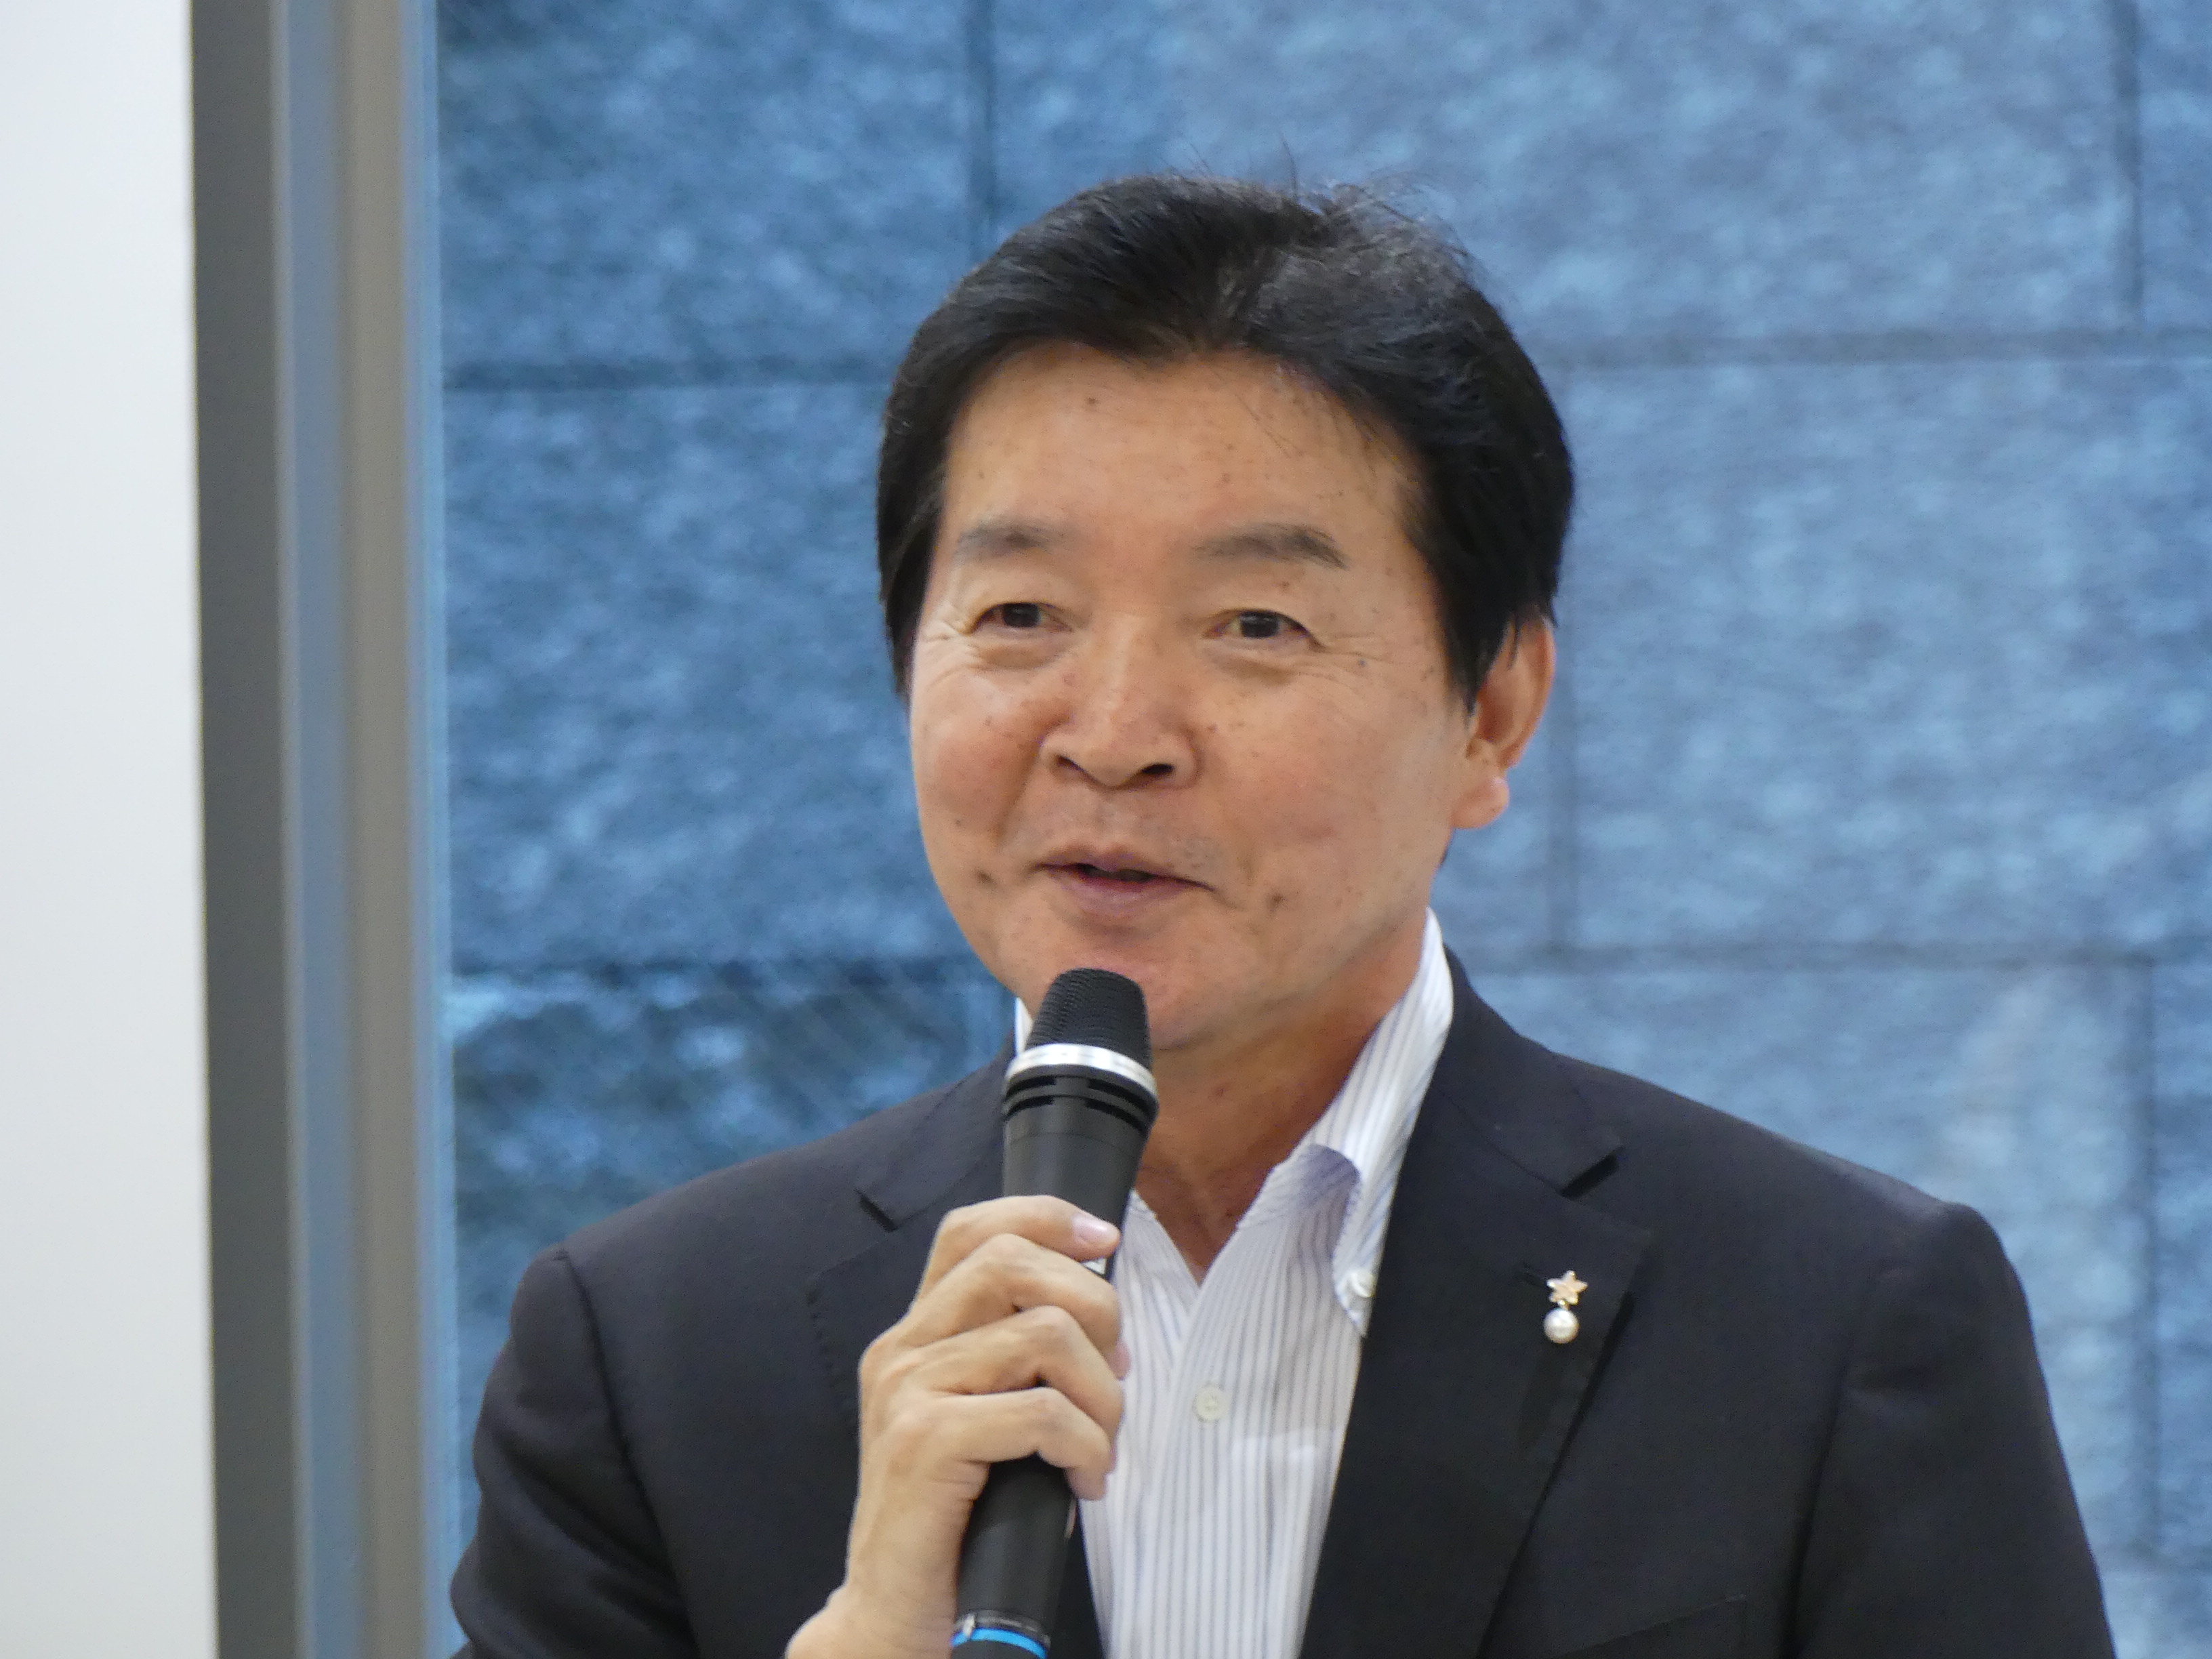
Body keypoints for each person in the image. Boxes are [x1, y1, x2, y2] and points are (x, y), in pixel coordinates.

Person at [451, 176, 2114, 1659]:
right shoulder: (654, 1356)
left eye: (1255, 624)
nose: (1114, 733)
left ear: (1492, 713)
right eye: (1021, 613)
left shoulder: (1832, 1324)